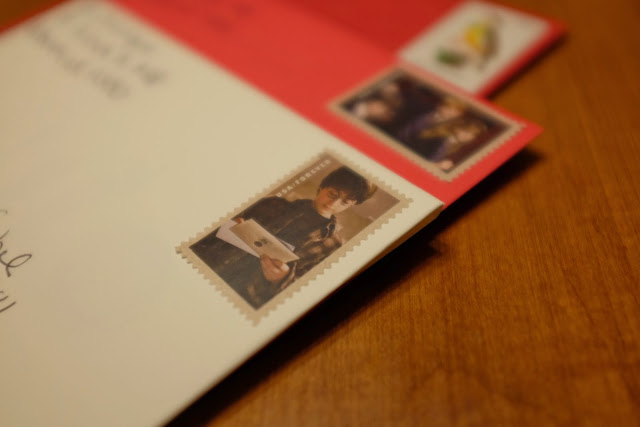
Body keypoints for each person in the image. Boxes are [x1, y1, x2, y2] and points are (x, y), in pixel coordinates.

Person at [190, 166, 377, 309]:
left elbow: (304, 295)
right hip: (202, 268)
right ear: (322, 186)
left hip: (241, 300)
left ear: (352, 205)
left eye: (345, 202)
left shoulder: (334, 245)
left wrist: (282, 278)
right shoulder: (271, 204)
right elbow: (204, 233)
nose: (334, 203)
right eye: (332, 194)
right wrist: (225, 224)